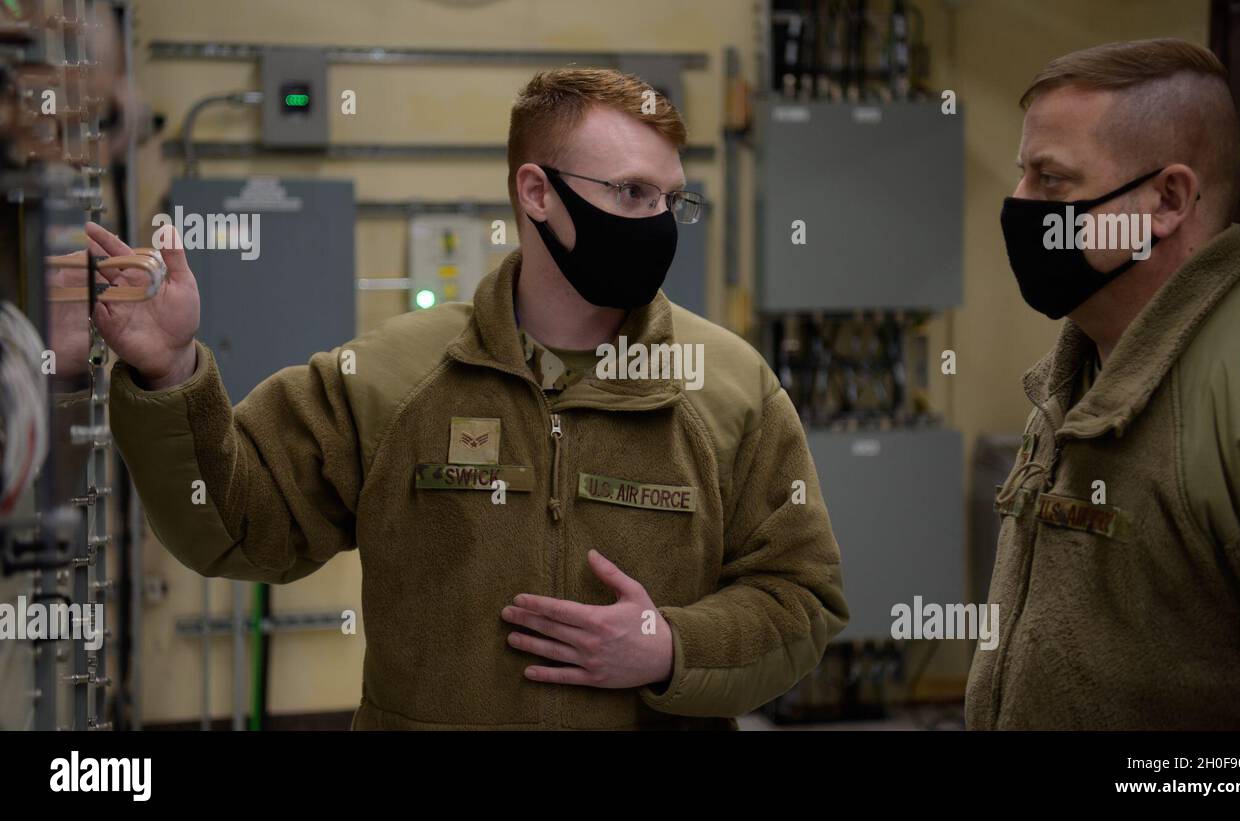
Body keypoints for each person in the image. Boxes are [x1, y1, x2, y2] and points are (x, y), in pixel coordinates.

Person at [94, 68, 848, 730]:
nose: (657, 221)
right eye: (630, 192)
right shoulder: (393, 376)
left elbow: (802, 598)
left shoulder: (727, 387)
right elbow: (232, 524)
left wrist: (671, 647)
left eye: (671, 199)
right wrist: (169, 372)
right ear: (536, 192)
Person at [967, 39, 1240, 729]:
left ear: (1167, 199)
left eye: (1052, 180)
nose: (1018, 203)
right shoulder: (1083, 365)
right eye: (1022, 173)